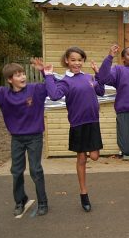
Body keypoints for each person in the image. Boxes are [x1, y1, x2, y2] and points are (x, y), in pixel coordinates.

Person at [0, 57, 48, 216]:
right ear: (9, 79)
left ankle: (42, 202)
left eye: (23, 74)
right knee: (17, 171)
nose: (23, 77)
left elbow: (51, 87)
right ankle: (20, 201)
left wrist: (43, 71)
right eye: (18, 75)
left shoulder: (35, 90)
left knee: (36, 169)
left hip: (34, 137)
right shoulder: (1, 94)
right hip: (17, 138)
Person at [43, 46, 107, 212]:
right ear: (67, 61)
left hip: (93, 123)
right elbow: (54, 95)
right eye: (73, 60)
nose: (76, 63)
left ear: (83, 61)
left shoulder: (89, 77)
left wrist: (98, 74)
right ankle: (83, 194)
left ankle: (85, 153)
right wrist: (48, 75)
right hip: (78, 124)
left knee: (94, 156)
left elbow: (100, 91)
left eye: (79, 60)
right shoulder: (65, 81)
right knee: (82, 160)